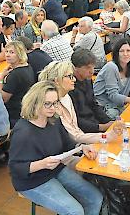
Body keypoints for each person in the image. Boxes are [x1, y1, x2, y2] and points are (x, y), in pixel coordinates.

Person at [9, 81, 103, 215]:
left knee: (95, 198)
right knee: (75, 211)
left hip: (55, 170)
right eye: (47, 103)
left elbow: (67, 144)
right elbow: (15, 168)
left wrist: (81, 147)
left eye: (56, 103)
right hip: (32, 181)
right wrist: (42, 164)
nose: (53, 108)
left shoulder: (54, 120)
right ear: (34, 102)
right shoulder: (23, 132)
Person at [39, 60, 120, 144]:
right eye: (70, 76)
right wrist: (107, 136)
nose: (74, 79)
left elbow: (76, 130)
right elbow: (73, 136)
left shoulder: (66, 97)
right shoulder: (52, 106)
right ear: (57, 80)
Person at [93, 39, 130, 119]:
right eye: (122, 51)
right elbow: (113, 95)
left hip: (117, 106)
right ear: (117, 53)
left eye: (128, 51)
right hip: (103, 107)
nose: (125, 54)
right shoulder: (111, 67)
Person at [69, 49, 114, 133]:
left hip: (94, 123)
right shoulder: (69, 87)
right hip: (82, 130)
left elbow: (94, 105)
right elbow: (75, 120)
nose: (92, 71)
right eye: (87, 68)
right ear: (75, 68)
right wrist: (101, 127)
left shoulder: (87, 80)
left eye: (93, 66)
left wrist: (109, 122)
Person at [0, 40, 36, 127]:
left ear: (19, 54)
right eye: (6, 51)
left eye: (12, 52)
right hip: (24, 109)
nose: (7, 55)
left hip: (14, 114)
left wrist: (1, 79)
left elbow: (2, 99)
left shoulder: (15, 75)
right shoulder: (27, 66)